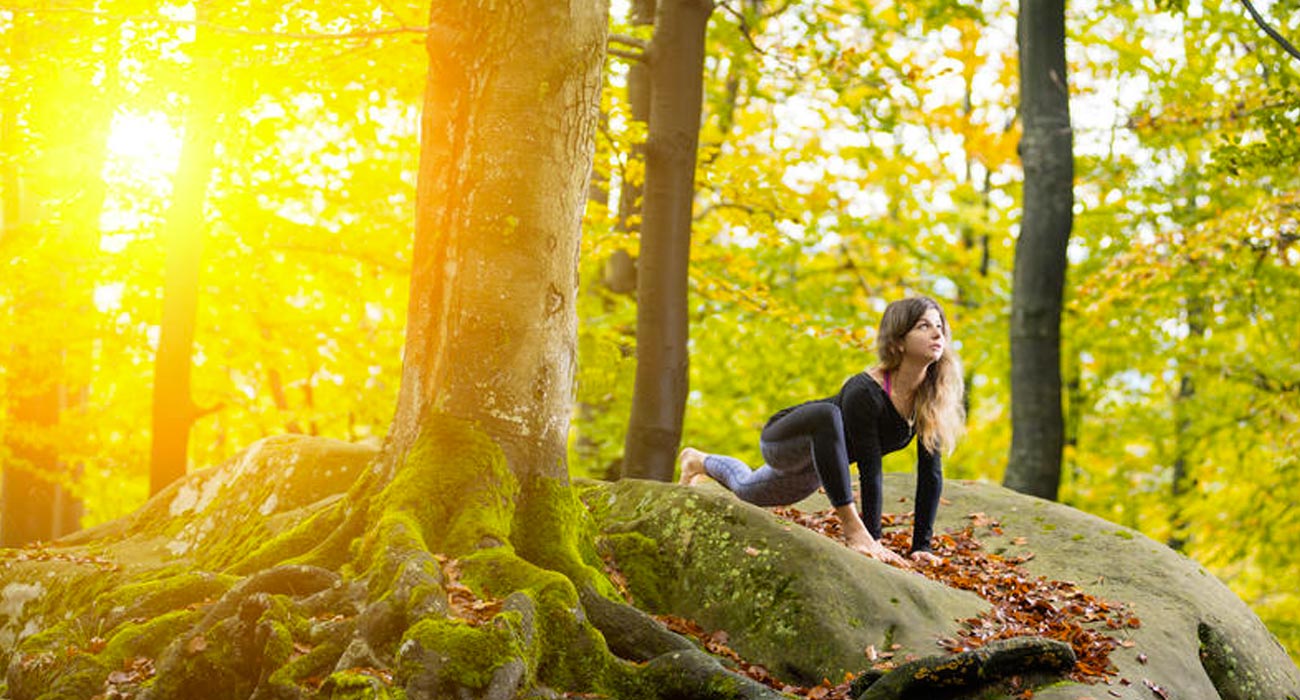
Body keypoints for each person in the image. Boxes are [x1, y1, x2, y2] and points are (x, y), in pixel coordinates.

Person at [678, 297, 965, 566]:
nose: (937, 334)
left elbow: (931, 473)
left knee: (746, 488)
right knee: (828, 414)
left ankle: (697, 461)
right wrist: (870, 537)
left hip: (821, 466)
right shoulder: (865, 390)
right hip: (786, 437)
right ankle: (854, 530)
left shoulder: (931, 399)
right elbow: (869, 467)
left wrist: (921, 547)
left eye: (939, 326)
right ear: (899, 341)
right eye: (924, 326)